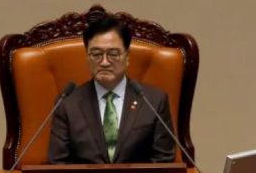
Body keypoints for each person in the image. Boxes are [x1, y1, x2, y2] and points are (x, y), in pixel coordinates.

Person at [46, 14, 177, 164]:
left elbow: (164, 162)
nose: (105, 62)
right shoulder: (67, 104)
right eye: (96, 54)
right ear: (87, 57)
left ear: (127, 57)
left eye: (113, 54)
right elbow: (58, 164)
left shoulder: (154, 101)